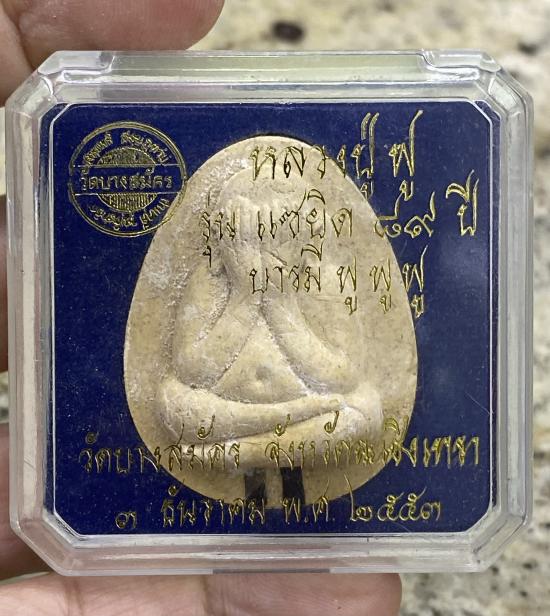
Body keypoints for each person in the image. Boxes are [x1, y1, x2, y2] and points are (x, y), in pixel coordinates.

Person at [0, 1, 402, 614]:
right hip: (231, 415)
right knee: (173, 403)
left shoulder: (325, 279)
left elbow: (341, 375)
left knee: (363, 413)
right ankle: (255, 443)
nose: (265, 239)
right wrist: (244, 293)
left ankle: (235, 454)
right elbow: (191, 370)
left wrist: (280, 301)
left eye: (281, 224)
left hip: (301, 417)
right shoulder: (211, 282)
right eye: (250, 227)